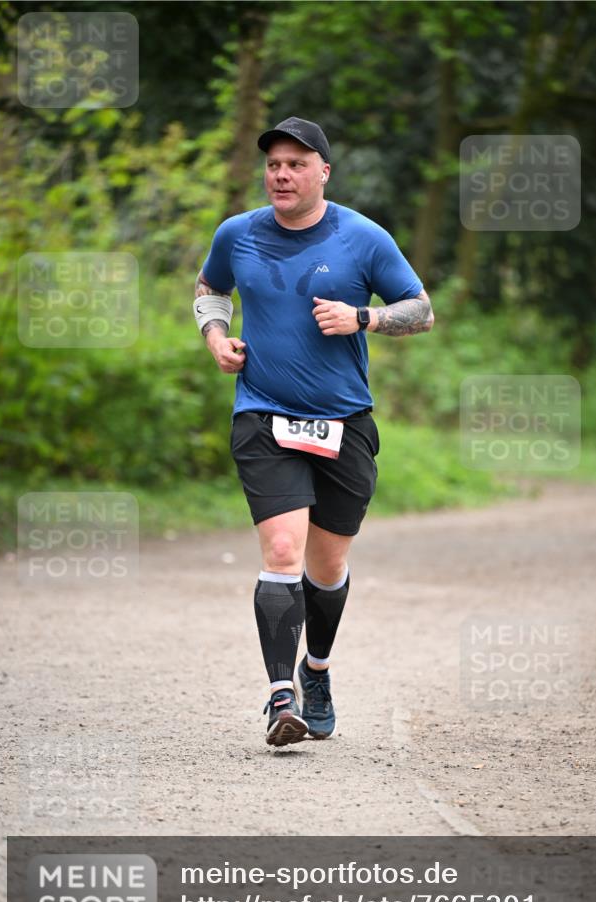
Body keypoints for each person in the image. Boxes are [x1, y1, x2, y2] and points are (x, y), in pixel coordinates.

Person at [194, 116, 433, 748]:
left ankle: (316, 671)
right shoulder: (237, 233)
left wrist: (364, 318)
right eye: (274, 164)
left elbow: (421, 309)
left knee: (327, 567)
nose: (282, 175)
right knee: (282, 551)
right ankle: (281, 697)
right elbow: (210, 288)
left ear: (323, 172)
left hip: (343, 423)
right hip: (263, 414)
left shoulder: (363, 237)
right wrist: (216, 336)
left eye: (296, 165)